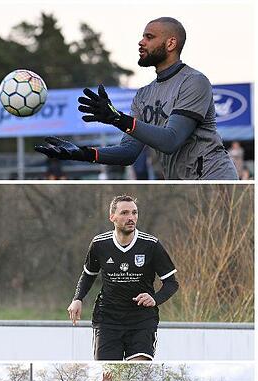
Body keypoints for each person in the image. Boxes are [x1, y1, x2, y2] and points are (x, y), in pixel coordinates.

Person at [35, 17, 238, 180]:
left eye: (149, 37)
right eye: (143, 37)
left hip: (215, 178)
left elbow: (171, 140)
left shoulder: (194, 82)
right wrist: (85, 153)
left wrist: (117, 119)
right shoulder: (143, 95)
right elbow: (129, 153)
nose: (141, 42)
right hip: (180, 182)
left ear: (171, 43)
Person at [67, 195, 178, 360]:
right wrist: (77, 299)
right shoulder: (99, 244)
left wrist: (155, 299)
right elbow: (88, 275)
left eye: (134, 213)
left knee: (138, 367)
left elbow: (171, 283)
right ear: (112, 217)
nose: (131, 217)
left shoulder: (151, 245)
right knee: (109, 366)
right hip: (107, 318)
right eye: (125, 213)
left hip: (142, 319)